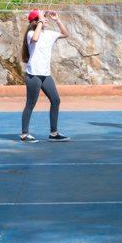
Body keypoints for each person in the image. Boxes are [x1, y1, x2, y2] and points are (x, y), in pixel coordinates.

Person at [20, 9, 70, 143]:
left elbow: (65, 34)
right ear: (35, 21)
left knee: (56, 100)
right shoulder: (31, 33)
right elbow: (35, 38)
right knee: (31, 103)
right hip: (33, 74)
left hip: (45, 75)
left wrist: (57, 19)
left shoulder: (49, 34)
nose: (45, 19)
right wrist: (41, 20)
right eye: (41, 18)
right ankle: (25, 134)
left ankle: (53, 133)